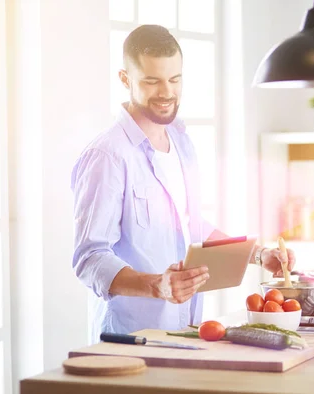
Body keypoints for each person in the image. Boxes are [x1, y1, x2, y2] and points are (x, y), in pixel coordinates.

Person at [70, 24, 296, 344]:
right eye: (152, 81)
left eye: (174, 79)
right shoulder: (107, 155)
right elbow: (90, 258)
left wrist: (258, 255)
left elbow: (190, 227)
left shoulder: (181, 141)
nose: (166, 92)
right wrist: (156, 285)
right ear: (125, 79)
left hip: (185, 332)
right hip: (128, 339)